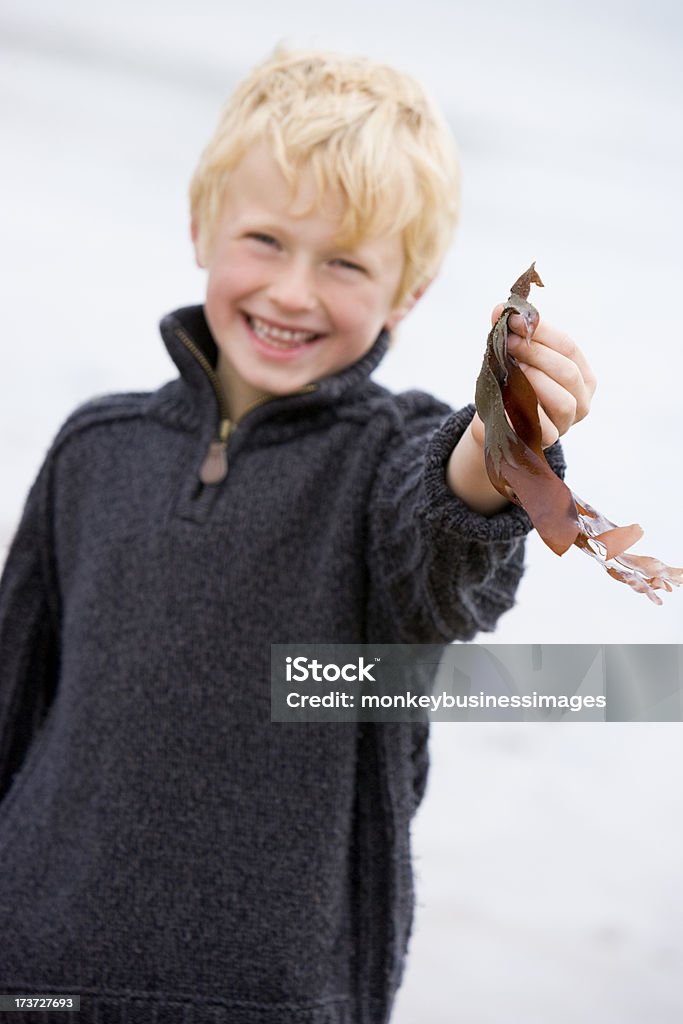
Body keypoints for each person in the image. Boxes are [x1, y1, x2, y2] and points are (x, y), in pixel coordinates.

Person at [0, 46, 596, 1024]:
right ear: (202, 226)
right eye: (265, 240)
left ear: (407, 291)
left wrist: (497, 444)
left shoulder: (391, 457)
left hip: (275, 992)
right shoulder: (92, 451)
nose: (290, 292)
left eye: (345, 263)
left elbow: (442, 557)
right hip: (35, 969)